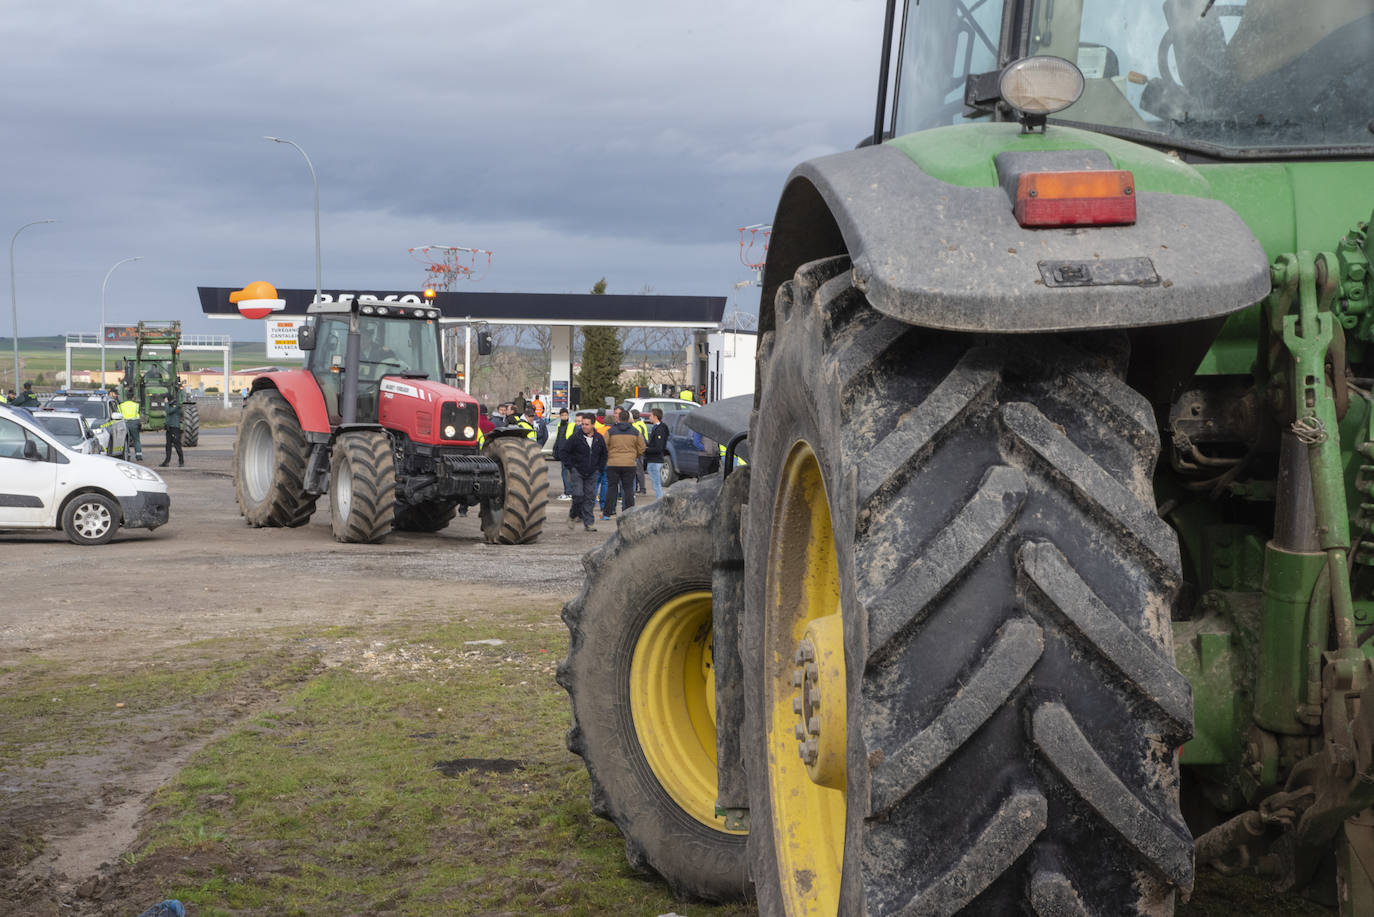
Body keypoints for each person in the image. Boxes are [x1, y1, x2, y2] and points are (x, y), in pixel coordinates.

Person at [564, 413, 606, 532]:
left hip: (592, 472)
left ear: (593, 424)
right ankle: (573, 515)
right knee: (578, 495)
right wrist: (571, 467)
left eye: (587, 424)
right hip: (577, 471)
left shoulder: (599, 438)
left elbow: (604, 454)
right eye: (583, 424)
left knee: (590, 498)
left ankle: (589, 523)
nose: (584, 426)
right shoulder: (576, 437)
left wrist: (599, 468)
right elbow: (564, 452)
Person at [603, 408, 644, 520]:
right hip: (629, 464)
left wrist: (610, 455)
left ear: (619, 418)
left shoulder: (611, 431)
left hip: (613, 464)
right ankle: (630, 513)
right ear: (629, 419)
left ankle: (607, 513)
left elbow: (604, 445)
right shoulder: (635, 432)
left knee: (612, 488)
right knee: (628, 489)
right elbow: (642, 447)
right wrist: (634, 455)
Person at [644, 407, 669, 499]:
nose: (649, 417)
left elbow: (659, 447)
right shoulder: (657, 428)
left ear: (655, 416)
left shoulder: (660, 429)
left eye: (650, 415)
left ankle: (660, 501)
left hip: (655, 460)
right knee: (656, 483)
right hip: (653, 460)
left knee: (656, 484)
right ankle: (660, 500)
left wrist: (646, 449)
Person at [551, 408, 576, 500]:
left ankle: (569, 492)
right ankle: (569, 491)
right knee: (565, 472)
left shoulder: (572, 425)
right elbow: (558, 439)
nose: (564, 417)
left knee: (566, 472)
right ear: (560, 416)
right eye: (562, 415)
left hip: (569, 452)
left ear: (568, 415)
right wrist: (556, 449)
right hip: (562, 452)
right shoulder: (559, 425)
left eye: (566, 415)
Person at [159, 392, 184, 467]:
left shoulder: (176, 405)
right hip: (169, 428)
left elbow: (168, 411)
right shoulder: (170, 405)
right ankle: (166, 462)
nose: (164, 400)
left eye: (164, 399)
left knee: (177, 445)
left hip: (175, 428)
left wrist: (166, 403)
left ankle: (181, 461)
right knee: (168, 446)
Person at [118, 392, 143, 460]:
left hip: (125, 423)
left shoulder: (121, 405)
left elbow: (119, 415)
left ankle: (128, 456)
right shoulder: (136, 405)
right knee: (136, 440)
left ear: (126, 397)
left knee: (126, 440)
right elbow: (139, 415)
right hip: (134, 423)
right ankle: (139, 456)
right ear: (132, 398)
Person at [630, 409, 649, 494]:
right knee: (638, 469)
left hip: (637, 450)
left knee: (639, 470)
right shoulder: (642, 423)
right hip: (641, 449)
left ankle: (642, 489)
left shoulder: (636, 426)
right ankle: (639, 487)